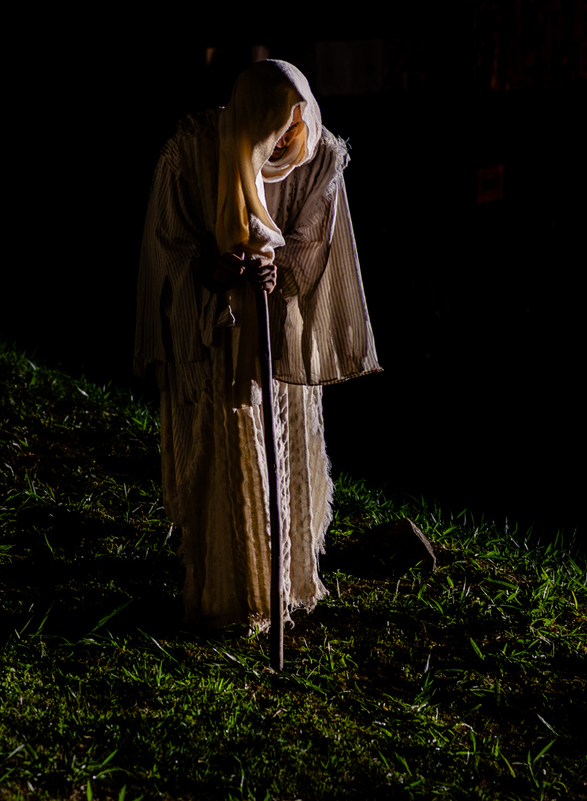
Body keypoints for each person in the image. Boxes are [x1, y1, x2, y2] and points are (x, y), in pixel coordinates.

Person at [134, 59, 381, 633]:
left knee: (280, 450)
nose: (286, 140)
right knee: (227, 459)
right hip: (218, 339)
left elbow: (315, 241)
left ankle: (283, 587)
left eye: (297, 125)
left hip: (274, 342)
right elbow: (166, 242)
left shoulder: (316, 158)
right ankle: (228, 596)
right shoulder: (195, 149)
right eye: (275, 127)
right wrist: (210, 271)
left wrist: (281, 266)